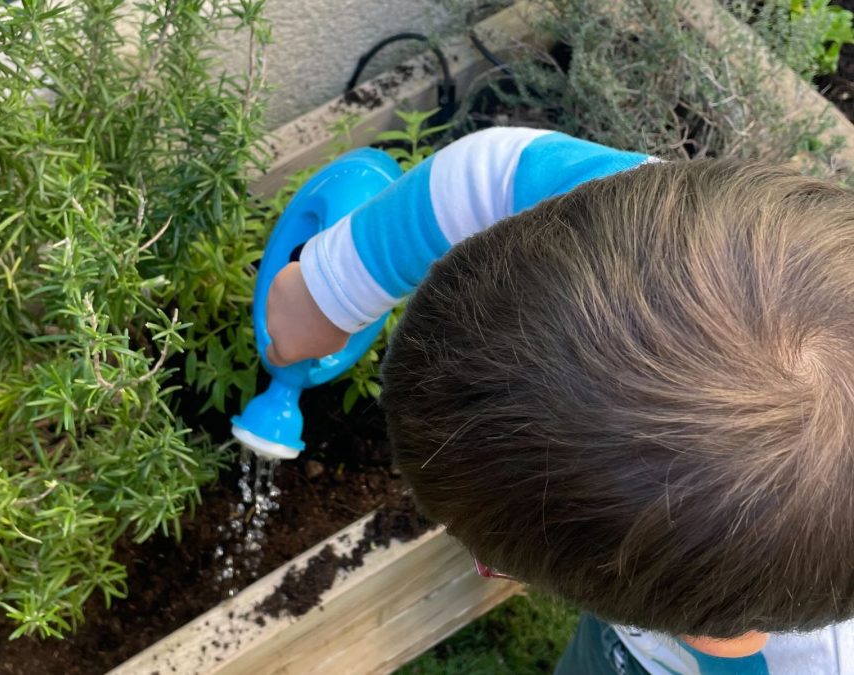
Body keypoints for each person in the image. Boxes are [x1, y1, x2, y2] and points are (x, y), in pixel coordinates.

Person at [263, 127, 854, 674]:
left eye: (494, 562)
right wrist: (329, 288)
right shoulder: (632, 231)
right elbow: (491, 171)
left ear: (720, 634)